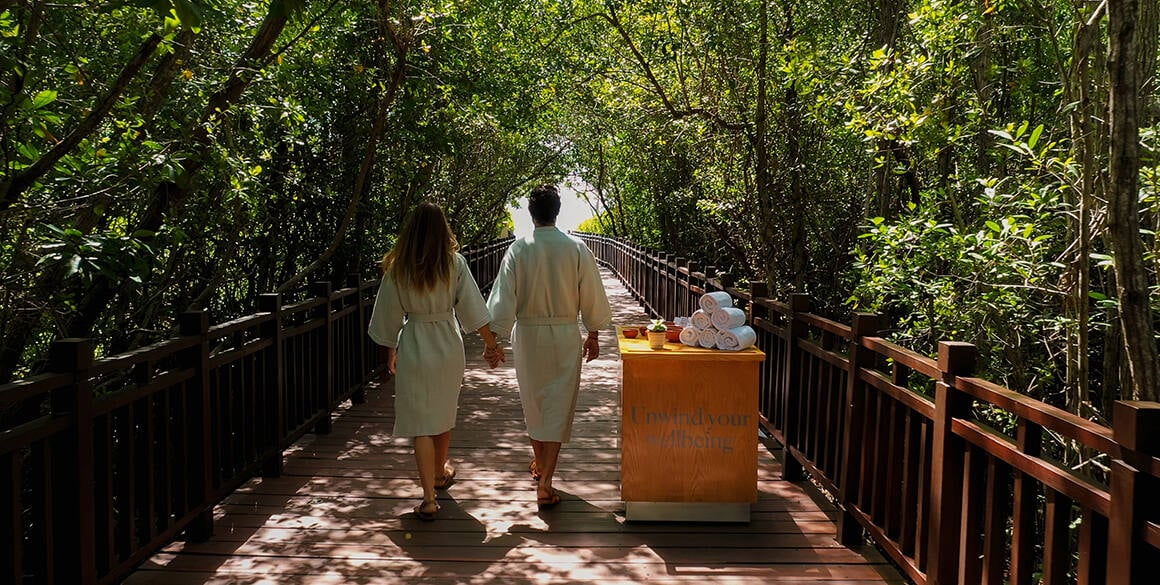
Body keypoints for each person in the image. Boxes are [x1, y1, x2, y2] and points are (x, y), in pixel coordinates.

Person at [368, 202, 503, 521]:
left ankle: (429, 496)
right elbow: (472, 306)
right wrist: (491, 344)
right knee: (443, 411)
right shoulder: (453, 263)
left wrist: (390, 350)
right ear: (443, 229)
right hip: (447, 342)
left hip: (414, 341)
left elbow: (388, 315)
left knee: (421, 423)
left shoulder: (398, 267)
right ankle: (440, 473)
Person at [486, 184, 612, 508]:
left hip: (527, 334)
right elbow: (593, 295)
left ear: (531, 213)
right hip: (564, 334)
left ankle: (541, 467)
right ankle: (546, 480)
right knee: (558, 405)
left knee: (534, 403)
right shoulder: (577, 248)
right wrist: (594, 333)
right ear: (557, 211)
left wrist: (494, 340)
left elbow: (502, 300)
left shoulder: (519, 248)